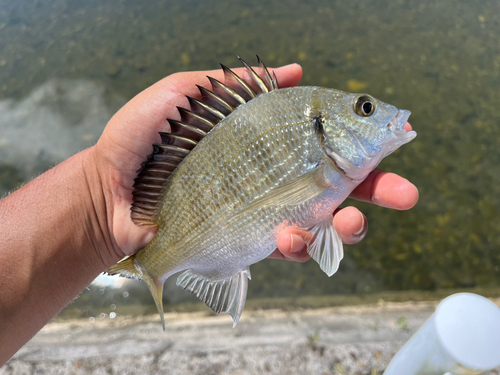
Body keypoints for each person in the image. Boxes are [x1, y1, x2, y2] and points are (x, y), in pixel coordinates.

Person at [0, 63, 418, 365]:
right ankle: (151, 267)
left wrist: (96, 212)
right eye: (365, 110)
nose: (378, 113)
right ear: (324, 128)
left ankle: (151, 266)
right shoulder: (310, 130)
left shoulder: (321, 145)